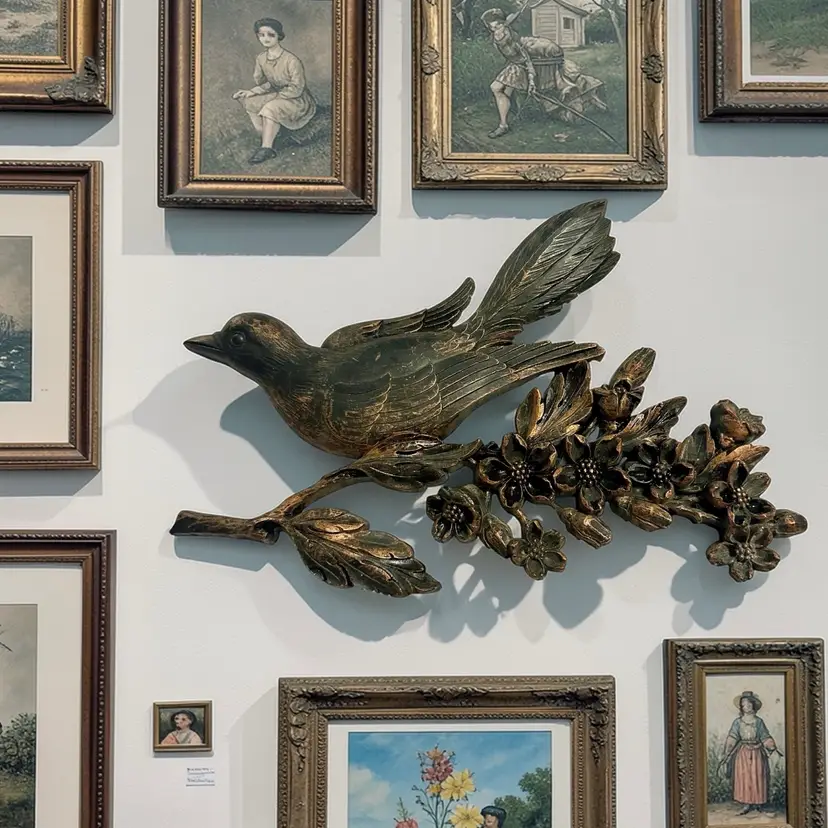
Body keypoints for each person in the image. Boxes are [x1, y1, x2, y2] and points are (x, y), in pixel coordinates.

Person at [480, 3, 606, 139]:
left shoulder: (511, 37)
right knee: (503, 92)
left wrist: (531, 78)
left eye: (498, 25)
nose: (496, 29)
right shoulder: (496, 37)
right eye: (492, 27)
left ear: (504, 24)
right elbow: (509, 56)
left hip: (521, 67)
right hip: (514, 65)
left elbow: (525, 58)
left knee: (496, 88)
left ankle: (503, 125)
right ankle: (505, 122)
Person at [232, 18, 317, 164]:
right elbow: (267, 83)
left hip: (297, 99)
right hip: (277, 94)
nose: (266, 38)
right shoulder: (261, 58)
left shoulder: (291, 60)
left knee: (270, 107)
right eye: (261, 35)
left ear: (279, 36)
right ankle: (270, 137)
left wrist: (274, 96)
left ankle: (266, 149)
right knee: (249, 102)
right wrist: (252, 92)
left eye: (271, 35)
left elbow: (297, 88)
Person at [718, 691, 782, 816]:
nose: (745, 706)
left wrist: (771, 745)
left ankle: (758, 804)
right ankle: (746, 804)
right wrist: (727, 750)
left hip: (757, 753)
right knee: (745, 777)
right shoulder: (737, 722)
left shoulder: (759, 722)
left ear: (753, 705)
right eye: (743, 704)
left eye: (748, 703)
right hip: (743, 754)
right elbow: (732, 737)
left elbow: (765, 736)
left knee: (758, 776)